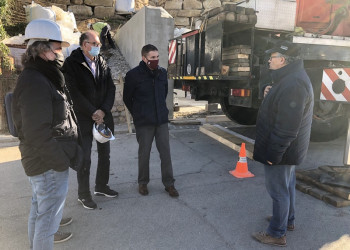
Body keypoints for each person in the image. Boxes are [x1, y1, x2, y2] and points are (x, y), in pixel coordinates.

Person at [12, 19, 81, 249]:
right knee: (48, 220)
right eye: (57, 46)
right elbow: (36, 132)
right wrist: (59, 161)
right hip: (47, 164)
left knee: (40, 210)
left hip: (44, 162)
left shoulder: (41, 76)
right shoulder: (35, 80)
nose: (60, 51)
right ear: (43, 47)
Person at [252, 40, 314, 247]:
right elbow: (282, 108)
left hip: (282, 151)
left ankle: (277, 233)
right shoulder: (289, 79)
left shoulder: (293, 84)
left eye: (273, 56)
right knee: (287, 186)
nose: (269, 59)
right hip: (289, 150)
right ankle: (288, 220)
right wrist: (269, 93)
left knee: (278, 190)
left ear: (284, 60)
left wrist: (273, 154)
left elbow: (287, 127)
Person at [63, 30, 117, 210]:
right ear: (84, 45)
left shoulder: (102, 61)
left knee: (105, 154)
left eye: (99, 44)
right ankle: (83, 194)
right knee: (84, 157)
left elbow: (110, 87)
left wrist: (103, 110)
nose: (98, 47)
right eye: (95, 44)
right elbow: (72, 92)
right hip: (83, 118)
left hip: (102, 117)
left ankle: (101, 186)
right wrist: (92, 111)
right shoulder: (72, 63)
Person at [123, 44, 179, 198]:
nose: (156, 60)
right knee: (144, 154)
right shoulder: (133, 75)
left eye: (157, 57)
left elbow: (164, 93)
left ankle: (169, 184)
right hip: (144, 122)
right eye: (152, 58)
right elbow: (127, 98)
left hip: (161, 121)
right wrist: (138, 114)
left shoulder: (162, 73)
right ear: (144, 58)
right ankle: (143, 183)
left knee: (165, 153)